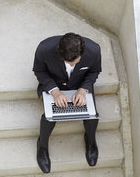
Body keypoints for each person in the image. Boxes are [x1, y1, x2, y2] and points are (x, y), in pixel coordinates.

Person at [33, 32, 101, 173]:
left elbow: (94, 72)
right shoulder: (44, 49)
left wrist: (83, 90)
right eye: (67, 61)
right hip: (54, 84)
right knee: (49, 117)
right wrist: (55, 91)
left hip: (80, 85)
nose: (70, 64)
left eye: (74, 62)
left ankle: (90, 140)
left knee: (93, 114)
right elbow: (39, 71)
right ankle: (42, 146)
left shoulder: (94, 50)